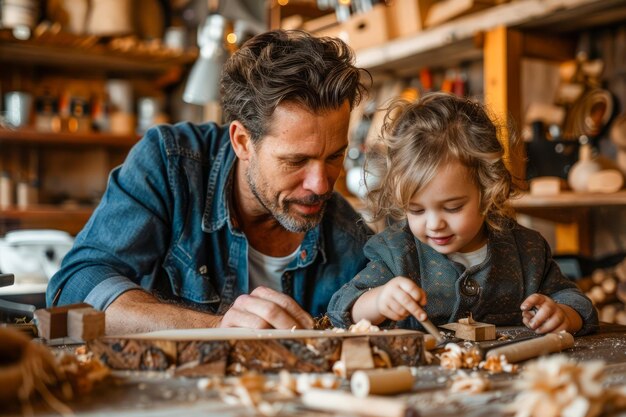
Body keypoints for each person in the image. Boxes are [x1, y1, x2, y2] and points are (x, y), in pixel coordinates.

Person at [46, 30, 372, 334]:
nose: (320, 185)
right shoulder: (170, 163)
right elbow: (72, 290)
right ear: (242, 142)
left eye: (333, 157)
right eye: (296, 161)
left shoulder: (350, 236)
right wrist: (215, 330)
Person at [328, 92, 598, 335]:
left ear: (488, 189)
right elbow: (342, 308)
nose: (434, 224)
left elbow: (575, 301)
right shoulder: (397, 253)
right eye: (417, 209)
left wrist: (563, 315)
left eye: (453, 207)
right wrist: (379, 300)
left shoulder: (527, 251)